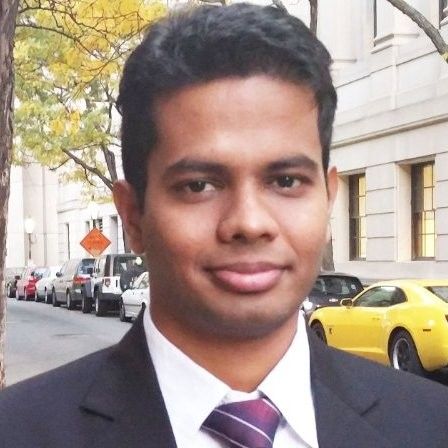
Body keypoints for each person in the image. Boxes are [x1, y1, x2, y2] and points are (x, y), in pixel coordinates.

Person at [1, 4, 448, 447]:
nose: (249, 223)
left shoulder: (431, 424)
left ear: (328, 200)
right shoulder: (18, 431)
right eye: (199, 186)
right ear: (133, 215)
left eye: (286, 181)